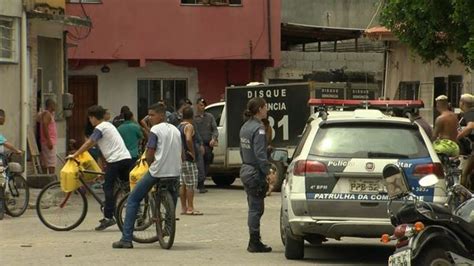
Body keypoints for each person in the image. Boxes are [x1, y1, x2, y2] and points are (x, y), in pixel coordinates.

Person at [112, 103, 182, 249]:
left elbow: (150, 152)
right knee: (171, 203)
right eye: (148, 115)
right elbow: (180, 153)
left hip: (157, 172)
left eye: (152, 115)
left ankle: (126, 239)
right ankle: (168, 228)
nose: (149, 118)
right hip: (174, 172)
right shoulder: (176, 130)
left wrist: (150, 165)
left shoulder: (155, 130)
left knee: (133, 199)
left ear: (161, 115)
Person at [68, 105, 133, 231]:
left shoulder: (100, 127)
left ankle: (109, 217)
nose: (90, 121)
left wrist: (75, 154)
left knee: (107, 187)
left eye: (90, 118)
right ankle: (137, 211)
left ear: (92, 118)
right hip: (125, 158)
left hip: (116, 161)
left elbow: (90, 142)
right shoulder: (109, 125)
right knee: (126, 187)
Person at [239, 97, 272, 253]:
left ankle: (254, 239)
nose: (267, 109)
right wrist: (268, 172)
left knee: (253, 206)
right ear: (259, 109)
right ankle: (254, 241)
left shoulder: (245, 127)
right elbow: (260, 154)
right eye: (265, 107)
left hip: (245, 169)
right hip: (254, 172)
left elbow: (242, 150)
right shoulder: (258, 128)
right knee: (256, 209)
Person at [178, 106, 203, 216]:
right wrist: (192, 151)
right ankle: (190, 207)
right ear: (192, 116)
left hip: (180, 159)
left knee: (182, 184)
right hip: (188, 159)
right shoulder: (189, 126)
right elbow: (188, 139)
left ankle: (183, 207)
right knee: (190, 184)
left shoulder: (178, 126)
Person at [194, 97, 218, 193]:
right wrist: (199, 144)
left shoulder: (210, 117)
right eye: (200, 105)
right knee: (200, 164)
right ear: (197, 106)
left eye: (203, 105)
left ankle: (202, 181)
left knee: (207, 162)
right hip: (198, 144)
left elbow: (215, 130)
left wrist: (214, 138)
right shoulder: (194, 118)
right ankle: (200, 184)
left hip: (208, 145)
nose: (202, 107)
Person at [457, 93, 474, 189]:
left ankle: (463, 197)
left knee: (464, 173)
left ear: (463, 103)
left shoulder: (470, 113)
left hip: (472, 150)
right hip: (469, 149)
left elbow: (470, 126)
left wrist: (458, 137)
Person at [39, 99, 58, 174]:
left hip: (47, 141)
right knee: (51, 163)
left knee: (46, 162)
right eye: (54, 105)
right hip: (49, 142)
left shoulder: (47, 114)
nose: (55, 107)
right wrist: (49, 140)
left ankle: (47, 180)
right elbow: (45, 126)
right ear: (51, 106)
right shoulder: (47, 114)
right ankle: (51, 180)